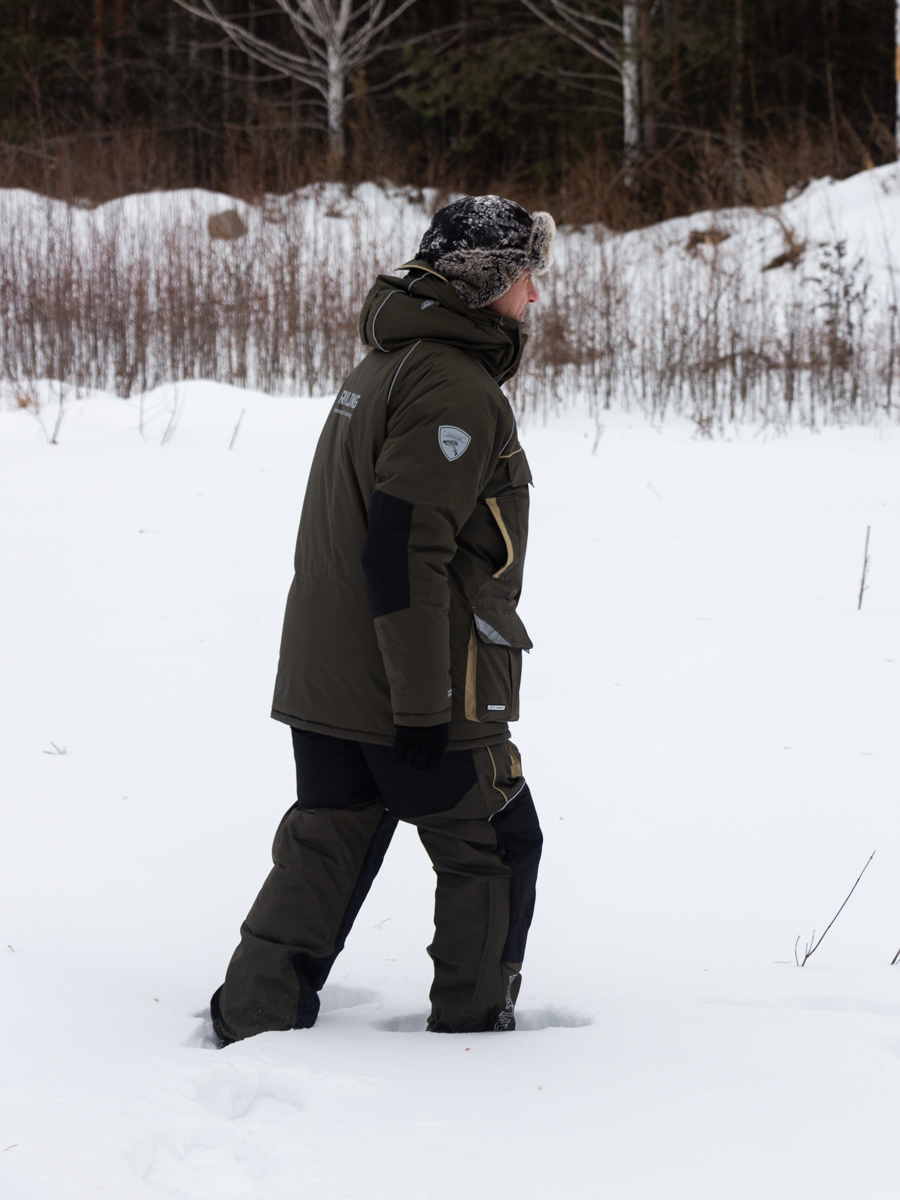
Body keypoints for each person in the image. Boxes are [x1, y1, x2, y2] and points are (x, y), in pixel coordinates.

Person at [210, 195, 554, 1044]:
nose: (535, 295)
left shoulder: (390, 361)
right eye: (525, 276)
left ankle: (254, 1013)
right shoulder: (453, 384)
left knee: (332, 836)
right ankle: (475, 1030)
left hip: (333, 673)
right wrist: (424, 705)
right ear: (485, 283)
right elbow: (404, 548)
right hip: (414, 678)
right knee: (496, 843)